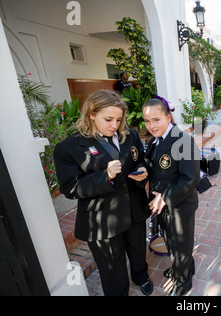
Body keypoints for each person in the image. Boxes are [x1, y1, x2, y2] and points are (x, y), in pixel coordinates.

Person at [53, 90, 153, 296]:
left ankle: (140, 276)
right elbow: (70, 187)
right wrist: (104, 177)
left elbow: (140, 158)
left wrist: (143, 169)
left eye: (118, 119)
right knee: (111, 265)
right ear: (91, 114)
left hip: (134, 208)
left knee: (137, 249)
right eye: (108, 119)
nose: (114, 125)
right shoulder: (69, 147)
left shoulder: (130, 134)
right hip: (102, 217)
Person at [142, 96, 200, 296]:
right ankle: (184, 268)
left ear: (168, 117)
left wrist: (164, 197)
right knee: (172, 243)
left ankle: (183, 282)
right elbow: (154, 165)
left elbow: (189, 179)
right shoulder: (156, 140)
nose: (151, 125)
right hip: (162, 205)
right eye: (147, 121)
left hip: (178, 204)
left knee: (180, 246)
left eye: (156, 120)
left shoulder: (183, 141)